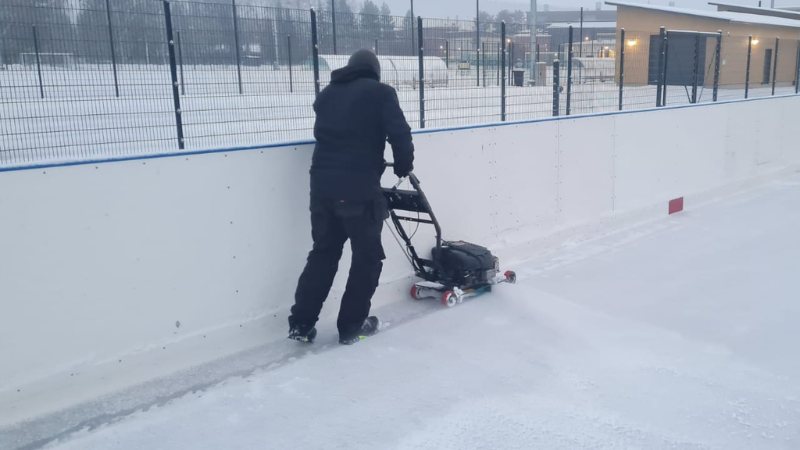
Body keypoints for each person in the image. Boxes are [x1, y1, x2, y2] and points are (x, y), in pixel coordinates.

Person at [288, 49, 414, 345]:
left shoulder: (328, 94)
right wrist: (403, 167)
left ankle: (301, 324)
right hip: (358, 191)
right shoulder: (381, 93)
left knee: (323, 253)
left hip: (321, 188)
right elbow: (400, 133)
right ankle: (352, 325)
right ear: (375, 71)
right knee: (367, 258)